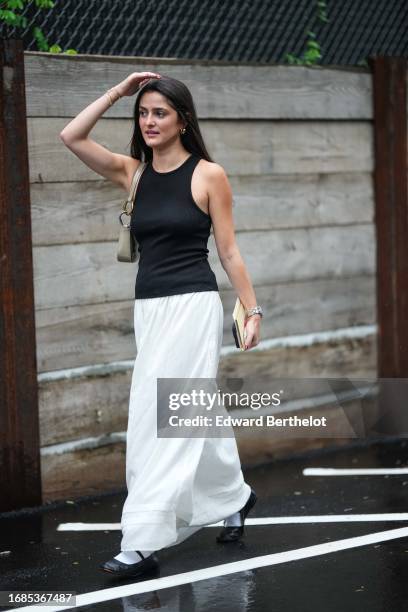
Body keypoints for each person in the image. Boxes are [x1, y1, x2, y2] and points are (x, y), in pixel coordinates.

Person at [59, 71, 263, 579]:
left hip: (193, 306)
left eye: (160, 113)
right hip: (149, 308)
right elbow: (72, 136)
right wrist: (117, 92)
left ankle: (143, 541)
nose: (149, 121)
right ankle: (234, 497)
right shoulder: (134, 174)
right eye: (144, 112)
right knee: (195, 409)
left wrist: (251, 310)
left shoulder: (208, 175)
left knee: (159, 416)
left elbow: (229, 250)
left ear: (182, 121)